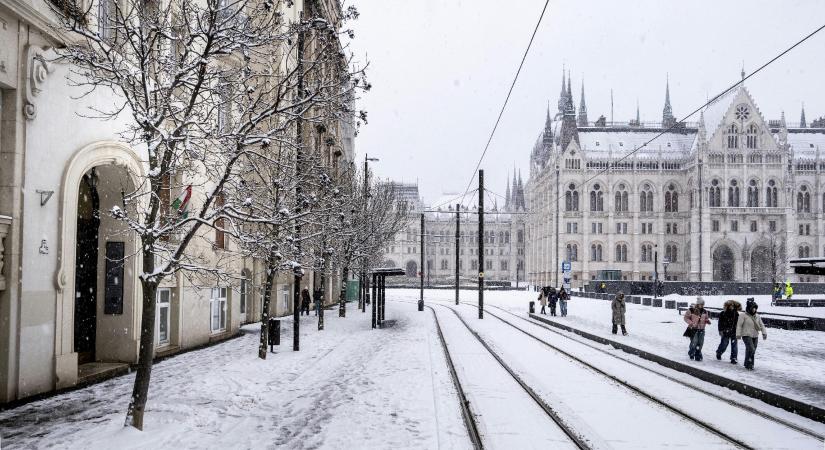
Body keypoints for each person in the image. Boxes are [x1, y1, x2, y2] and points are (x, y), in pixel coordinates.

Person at [737, 299, 767, 370]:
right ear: (749, 308)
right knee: (752, 349)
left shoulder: (757, 316)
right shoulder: (743, 315)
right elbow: (739, 325)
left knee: (751, 350)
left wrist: (764, 333)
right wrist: (738, 334)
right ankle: (749, 363)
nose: (754, 310)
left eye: (755, 308)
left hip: (755, 335)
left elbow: (762, 325)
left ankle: (748, 364)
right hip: (746, 335)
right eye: (753, 308)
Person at [716, 300, 740, 364]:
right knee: (724, 344)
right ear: (728, 306)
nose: (732, 307)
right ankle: (719, 352)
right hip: (725, 332)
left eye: (733, 306)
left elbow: (738, 323)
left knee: (734, 346)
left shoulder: (736, 313)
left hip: (734, 332)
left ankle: (734, 358)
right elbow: (720, 323)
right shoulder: (723, 313)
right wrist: (720, 330)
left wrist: (738, 331)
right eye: (730, 306)